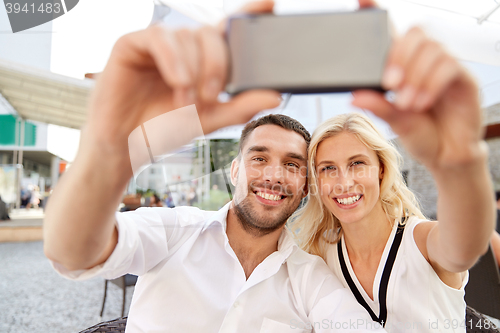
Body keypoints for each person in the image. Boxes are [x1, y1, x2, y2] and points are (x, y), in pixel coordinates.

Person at [43, 1, 387, 332]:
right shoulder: (176, 232)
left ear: (306, 187)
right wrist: (109, 152)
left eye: (293, 165)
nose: (274, 175)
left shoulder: (309, 278)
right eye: (259, 158)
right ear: (235, 171)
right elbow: (72, 253)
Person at [292, 19, 496, 333]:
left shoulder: (423, 241)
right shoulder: (319, 256)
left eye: (357, 163)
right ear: (317, 181)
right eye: (328, 168)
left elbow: (465, 245)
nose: (344, 182)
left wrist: (460, 165)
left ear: (382, 170)